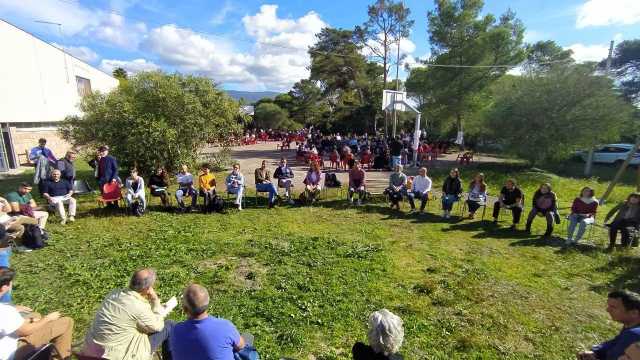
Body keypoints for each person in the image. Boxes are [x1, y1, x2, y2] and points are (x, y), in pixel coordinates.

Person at [81, 268, 176, 360]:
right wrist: (155, 301)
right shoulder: (138, 306)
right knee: (169, 325)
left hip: (92, 352)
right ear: (147, 288)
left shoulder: (113, 294)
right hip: (119, 356)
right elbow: (158, 327)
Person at [0, 266, 74, 360]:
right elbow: (25, 331)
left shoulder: (6, 310)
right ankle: (60, 357)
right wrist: (48, 318)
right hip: (12, 353)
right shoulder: (5, 311)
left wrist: (30, 319)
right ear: (4, 287)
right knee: (67, 322)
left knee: (35, 315)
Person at [170, 284, 258, 360]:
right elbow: (241, 346)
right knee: (246, 339)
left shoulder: (176, 331)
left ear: (184, 309)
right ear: (208, 303)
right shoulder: (225, 327)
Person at [577, 290, 640, 360]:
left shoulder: (634, 334)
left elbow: (613, 356)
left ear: (634, 313)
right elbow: (614, 342)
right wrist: (595, 351)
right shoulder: (630, 326)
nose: (608, 310)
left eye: (613, 307)